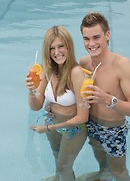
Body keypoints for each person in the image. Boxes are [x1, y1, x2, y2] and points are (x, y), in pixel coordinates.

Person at [79, 12, 130, 181]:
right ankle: (103, 175)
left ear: (107, 35)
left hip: (113, 130)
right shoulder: (84, 63)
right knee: (102, 163)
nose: (91, 44)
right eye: (86, 38)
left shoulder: (122, 65)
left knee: (119, 172)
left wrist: (109, 100)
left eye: (96, 37)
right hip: (90, 125)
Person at [25, 26, 89, 181]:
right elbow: (36, 106)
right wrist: (31, 90)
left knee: (63, 167)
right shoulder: (48, 70)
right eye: (52, 48)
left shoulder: (76, 73)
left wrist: (48, 127)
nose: (57, 52)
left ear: (69, 46)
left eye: (61, 46)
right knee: (59, 165)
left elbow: (83, 117)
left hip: (74, 128)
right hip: (53, 122)